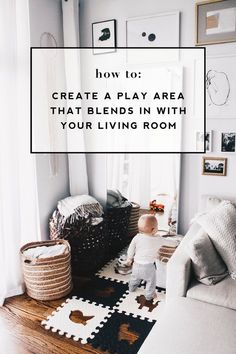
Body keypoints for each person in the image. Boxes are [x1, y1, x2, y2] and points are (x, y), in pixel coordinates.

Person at [126, 214, 161, 301]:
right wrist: (176, 243)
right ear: (153, 230)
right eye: (157, 227)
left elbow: (131, 248)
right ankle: (149, 296)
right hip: (148, 267)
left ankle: (131, 288)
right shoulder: (157, 239)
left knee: (134, 278)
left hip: (136, 265)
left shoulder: (137, 237)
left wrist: (129, 258)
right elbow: (169, 243)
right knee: (151, 281)